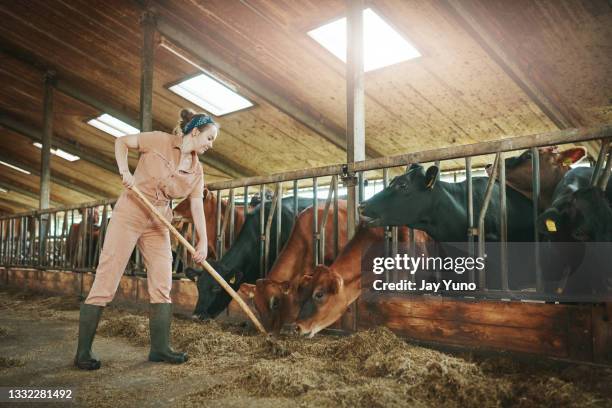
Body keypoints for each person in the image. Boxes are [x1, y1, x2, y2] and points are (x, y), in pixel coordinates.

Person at [75, 108, 217, 370]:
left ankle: (160, 348)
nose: (210, 145)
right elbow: (121, 142)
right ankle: (83, 352)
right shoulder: (158, 140)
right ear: (195, 132)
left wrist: (203, 241)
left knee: (163, 283)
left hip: (159, 222)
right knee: (107, 279)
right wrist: (124, 172)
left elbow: (196, 205)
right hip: (129, 213)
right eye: (209, 138)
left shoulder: (197, 171)